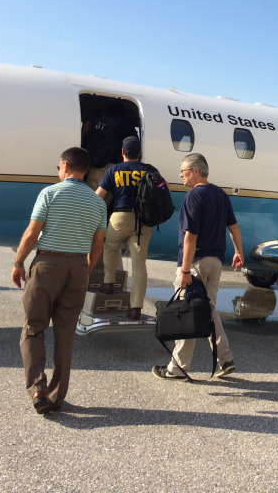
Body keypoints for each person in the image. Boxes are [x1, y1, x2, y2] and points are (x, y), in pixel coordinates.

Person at [11, 147, 107, 415]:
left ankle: (38, 390)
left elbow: (32, 232)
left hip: (47, 265)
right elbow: (97, 244)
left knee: (33, 326)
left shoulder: (50, 193)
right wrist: (85, 269)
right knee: (65, 334)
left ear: (64, 166)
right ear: (85, 170)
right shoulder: (98, 203)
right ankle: (56, 396)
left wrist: (18, 262)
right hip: (78, 267)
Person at [153, 152, 244, 380]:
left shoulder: (194, 196)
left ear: (195, 171)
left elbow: (190, 236)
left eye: (183, 171)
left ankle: (178, 369)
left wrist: (184, 270)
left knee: (187, 312)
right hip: (215, 263)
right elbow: (234, 228)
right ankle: (226, 359)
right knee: (208, 311)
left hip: (196, 264)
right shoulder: (221, 194)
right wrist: (238, 252)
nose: (181, 175)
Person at [95, 136, 164, 320]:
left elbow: (99, 196)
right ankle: (135, 308)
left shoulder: (114, 170)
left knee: (110, 247)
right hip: (143, 221)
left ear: (122, 152)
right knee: (139, 264)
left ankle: (108, 283)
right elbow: (166, 189)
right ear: (140, 154)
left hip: (119, 216)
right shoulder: (150, 171)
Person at [81, 102, 137, 190]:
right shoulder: (127, 121)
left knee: (92, 193)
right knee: (108, 194)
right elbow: (134, 141)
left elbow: (86, 128)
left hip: (96, 162)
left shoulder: (98, 114)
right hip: (116, 165)